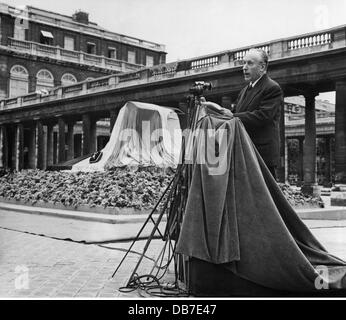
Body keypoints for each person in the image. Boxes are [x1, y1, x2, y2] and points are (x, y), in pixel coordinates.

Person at [202, 48, 283, 179]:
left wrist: (232, 115)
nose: (244, 68)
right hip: (244, 152)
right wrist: (213, 109)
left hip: (261, 155)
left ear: (262, 67)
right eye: (244, 63)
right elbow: (234, 114)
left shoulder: (272, 88)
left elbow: (263, 116)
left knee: (264, 198)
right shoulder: (245, 90)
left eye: (250, 63)